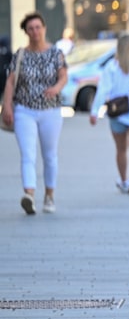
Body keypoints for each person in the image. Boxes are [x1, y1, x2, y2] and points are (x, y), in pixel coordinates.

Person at [1, 12, 68, 215]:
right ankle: (29, 194)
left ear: (44, 29)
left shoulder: (56, 53)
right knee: (28, 155)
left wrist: (56, 88)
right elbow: (11, 81)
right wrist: (8, 106)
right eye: (31, 28)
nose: (35, 32)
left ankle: (49, 196)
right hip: (25, 110)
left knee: (50, 155)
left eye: (38, 27)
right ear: (26, 32)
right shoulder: (20, 55)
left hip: (50, 110)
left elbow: (64, 76)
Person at [89, 32, 129, 194]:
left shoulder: (112, 66)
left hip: (118, 112)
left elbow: (104, 89)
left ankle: (123, 179)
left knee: (121, 149)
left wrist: (95, 111)